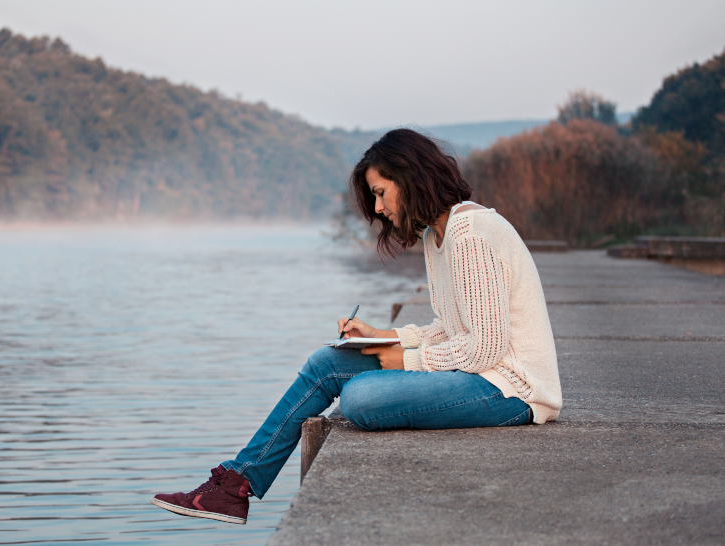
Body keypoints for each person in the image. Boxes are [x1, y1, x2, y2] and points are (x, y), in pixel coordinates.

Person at [151, 128, 562, 525]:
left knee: (361, 398)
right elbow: (452, 329)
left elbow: (485, 348)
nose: (379, 208)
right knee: (328, 361)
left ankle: (238, 484)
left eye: (381, 193)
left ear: (410, 177)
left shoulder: (469, 233)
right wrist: (383, 336)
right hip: (481, 377)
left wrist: (404, 359)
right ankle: (237, 483)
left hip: (512, 389)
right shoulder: (438, 235)